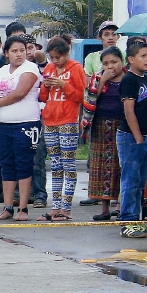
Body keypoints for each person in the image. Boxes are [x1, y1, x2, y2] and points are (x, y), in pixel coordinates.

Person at [0, 35, 42, 221]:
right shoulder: (1, 71)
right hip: (3, 124)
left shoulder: (30, 68)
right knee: (6, 164)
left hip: (25, 123)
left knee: (24, 164)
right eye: (14, 51)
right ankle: (8, 206)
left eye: (22, 50)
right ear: (6, 53)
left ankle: (23, 208)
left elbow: (20, 93)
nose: (19, 54)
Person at [39, 36, 87, 220]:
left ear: (67, 53)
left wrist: (63, 85)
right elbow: (43, 97)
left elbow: (81, 96)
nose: (54, 61)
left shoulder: (76, 68)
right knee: (56, 165)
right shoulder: (50, 68)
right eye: (52, 57)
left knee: (68, 164)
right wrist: (45, 85)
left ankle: (66, 208)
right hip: (50, 120)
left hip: (68, 120)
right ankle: (56, 206)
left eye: (58, 57)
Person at [117, 40, 147, 238]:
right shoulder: (129, 80)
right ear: (131, 59)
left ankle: (138, 219)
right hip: (131, 138)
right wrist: (138, 138)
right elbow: (129, 111)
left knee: (141, 183)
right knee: (130, 180)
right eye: (143, 56)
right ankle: (127, 221)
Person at [86, 46, 126, 220]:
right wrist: (102, 82)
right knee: (101, 167)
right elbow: (89, 99)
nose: (111, 66)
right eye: (106, 63)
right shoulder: (98, 79)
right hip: (101, 125)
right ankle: (104, 209)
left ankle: (120, 205)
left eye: (114, 62)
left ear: (122, 62)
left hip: (122, 126)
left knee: (120, 166)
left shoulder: (128, 79)